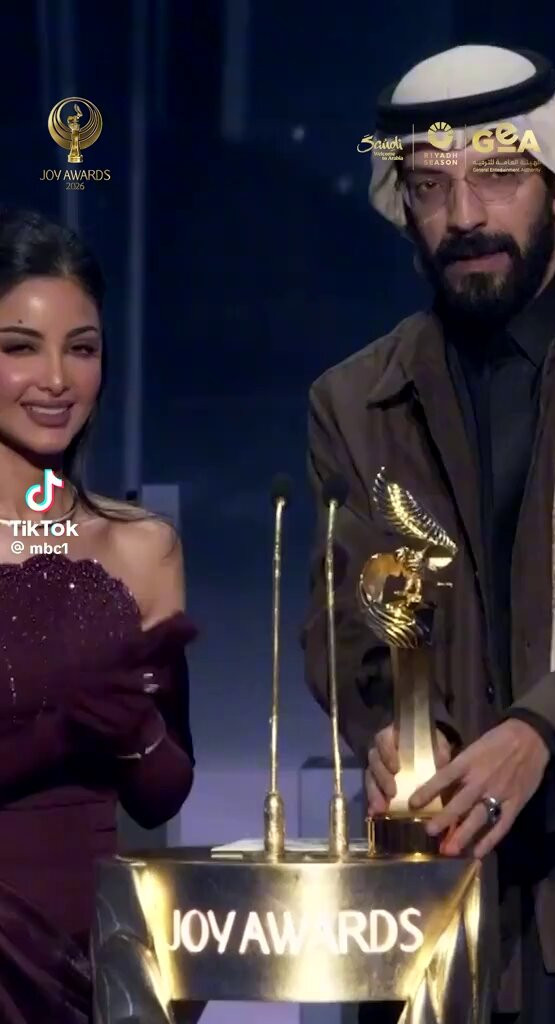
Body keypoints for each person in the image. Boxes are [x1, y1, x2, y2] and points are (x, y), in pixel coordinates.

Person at [302, 45, 555, 1023]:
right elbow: (347, 624)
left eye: (497, 175)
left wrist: (544, 729)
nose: (464, 216)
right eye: (431, 186)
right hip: (434, 905)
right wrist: (400, 732)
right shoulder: (354, 401)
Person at [0, 207, 196, 1022]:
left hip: (92, 962)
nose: (56, 379)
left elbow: (162, 795)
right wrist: (57, 730)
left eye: (80, 348)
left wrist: (135, 727)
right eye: (20, 347)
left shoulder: (142, 548)